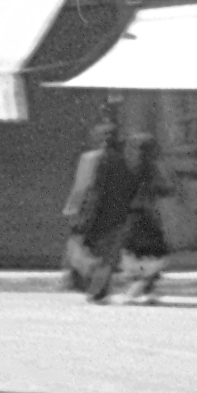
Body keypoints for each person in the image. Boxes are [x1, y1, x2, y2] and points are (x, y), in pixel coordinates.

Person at [61, 115, 142, 300]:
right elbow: (130, 187)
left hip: (93, 214)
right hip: (115, 216)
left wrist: (75, 212)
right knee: (106, 255)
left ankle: (85, 284)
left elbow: (83, 188)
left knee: (82, 250)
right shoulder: (125, 161)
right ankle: (98, 289)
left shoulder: (91, 159)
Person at [118, 134, 173, 301]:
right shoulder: (152, 169)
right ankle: (143, 289)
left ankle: (141, 288)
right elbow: (167, 189)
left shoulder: (129, 168)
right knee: (152, 253)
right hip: (145, 215)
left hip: (135, 215)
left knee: (137, 253)